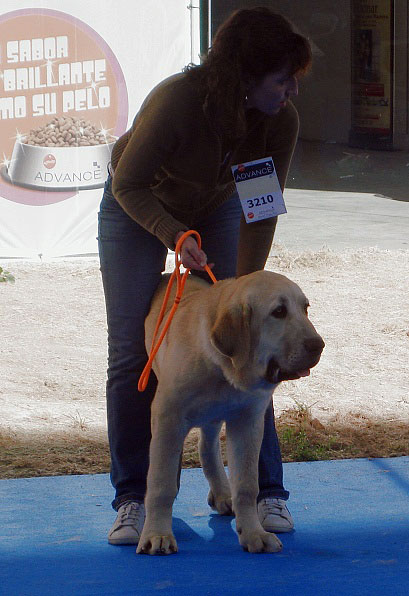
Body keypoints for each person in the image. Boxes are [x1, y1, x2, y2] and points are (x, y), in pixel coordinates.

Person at [98, 6, 312, 545]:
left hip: (215, 206)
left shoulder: (279, 120)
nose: (289, 92)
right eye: (280, 80)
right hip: (137, 206)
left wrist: (246, 288)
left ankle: (265, 494)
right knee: (131, 351)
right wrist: (175, 236)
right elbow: (128, 186)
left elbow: (261, 207)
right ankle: (133, 500)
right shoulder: (178, 102)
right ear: (245, 74)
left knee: (249, 341)